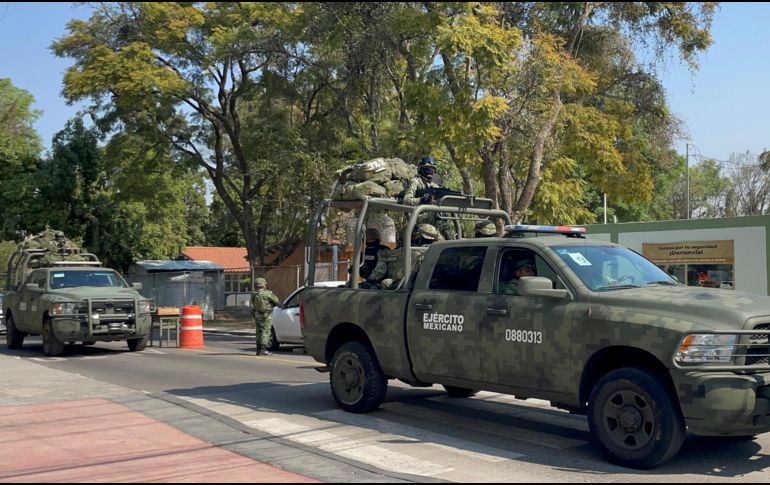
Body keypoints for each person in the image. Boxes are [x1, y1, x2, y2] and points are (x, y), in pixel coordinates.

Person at [380, 223, 442, 290]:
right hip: (421, 286)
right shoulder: (437, 251)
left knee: (386, 283)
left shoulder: (417, 252)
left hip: (410, 287)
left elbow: (401, 276)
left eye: (416, 236)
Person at [251, 277, 281, 356]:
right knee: (265, 331)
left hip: (257, 314)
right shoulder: (267, 293)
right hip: (266, 314)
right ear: (264, 285)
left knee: (259, 331)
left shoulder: (254, 294)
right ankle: (263, 350)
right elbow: (276, 301)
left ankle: (258, 349)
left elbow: (252, 305)